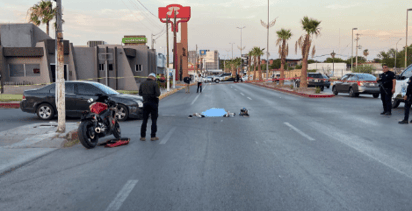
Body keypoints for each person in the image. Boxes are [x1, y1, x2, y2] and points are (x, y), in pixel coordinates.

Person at [139, 73, 161, 141]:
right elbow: (158, 94)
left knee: (144, 120)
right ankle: (153, 136)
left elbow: (140, 93)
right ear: (154, 78)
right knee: (154, 120)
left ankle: (143, 136)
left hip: (145, 103)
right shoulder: (155, 84)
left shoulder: (142, 83)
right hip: (153, 103)